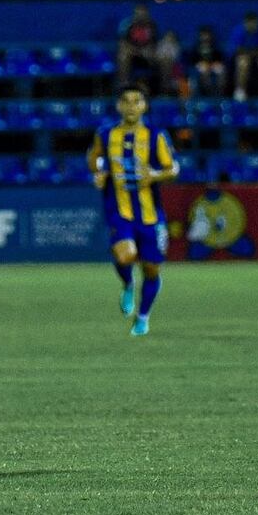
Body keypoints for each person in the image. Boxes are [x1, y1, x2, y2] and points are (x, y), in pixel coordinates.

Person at [87, 84, 179, 336]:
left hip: (150, 214)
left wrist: (156, 175)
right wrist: (98, 172)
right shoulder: (105, 134)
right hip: (120, 209)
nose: (131, 105)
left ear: (144, 106)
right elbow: (94, 157)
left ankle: (143, 317)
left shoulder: (155, 135)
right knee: (126, 255)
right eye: (126, 101)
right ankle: (128, 283)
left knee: (151, 269)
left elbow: (173, 169)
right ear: (118, 106)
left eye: (137, 101)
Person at [116, 5, 176, 96]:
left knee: (166, 58)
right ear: (134, 14)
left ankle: (165, 89)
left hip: (149, 55)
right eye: (138, 14)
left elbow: (154, 44)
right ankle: (124, 86)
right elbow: (123, 43)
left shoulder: (152, 26)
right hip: (133, 56)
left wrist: (149, 52)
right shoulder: (126, 25)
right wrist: (138, 51)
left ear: (147, 14)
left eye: (143, 14)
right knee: (123, 54)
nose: (141, 16)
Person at [188, 25, 226, 97]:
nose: (205, 37)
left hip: (213, 66)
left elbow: (220, 60)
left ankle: (220, 94)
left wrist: (214, 64)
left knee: (220, 70)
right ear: (200, 36)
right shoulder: (195, 48)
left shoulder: (215, 47)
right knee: (204, 69)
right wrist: (201, 64)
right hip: (200, 67)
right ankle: (206, 94)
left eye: (207, 35)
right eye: (203, 35)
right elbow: (192, 62)